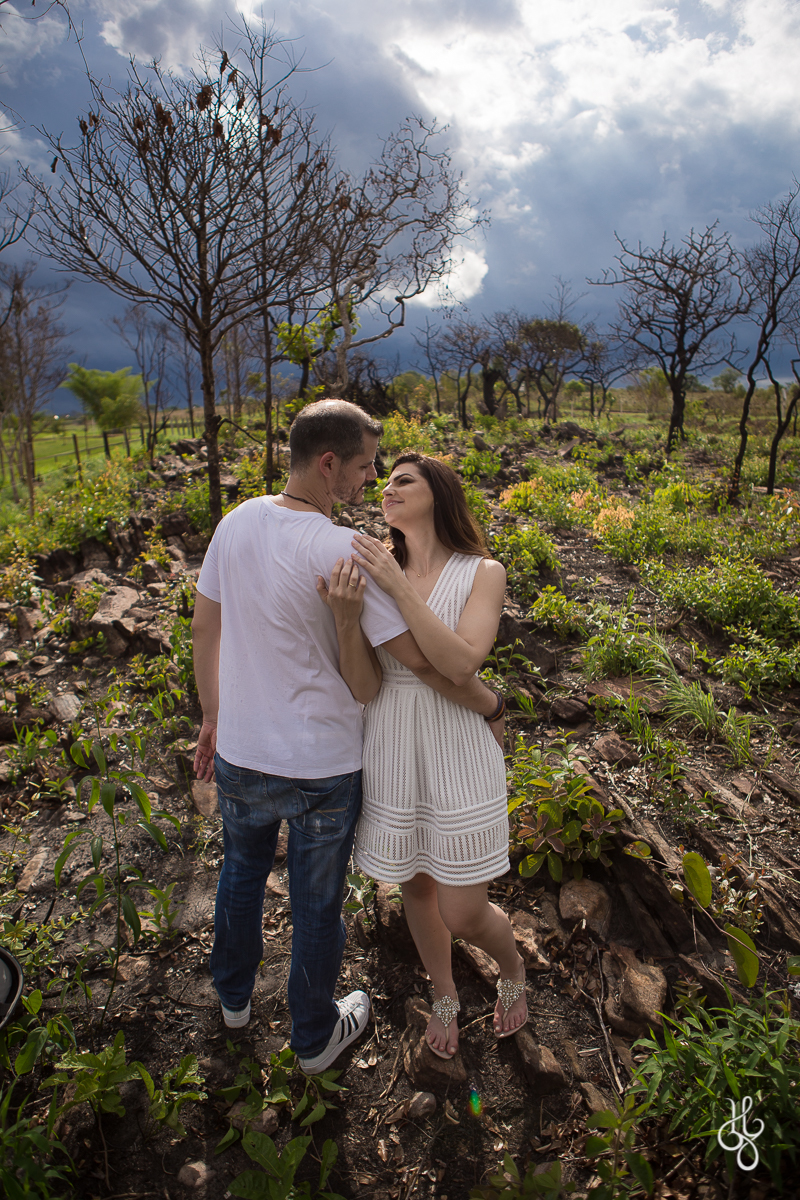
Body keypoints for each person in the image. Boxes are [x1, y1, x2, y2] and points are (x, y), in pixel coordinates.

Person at [192, 401, 502, 1074]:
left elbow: (204, 628)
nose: (370, 482)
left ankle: (234, 1000)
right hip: (321, 765)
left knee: (240, 874)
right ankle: (312, 1037)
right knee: (315, 903)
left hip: (242, 750)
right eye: (364, 467)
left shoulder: (236, 519)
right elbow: (417, 663)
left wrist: (212, 715)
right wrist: (487, 703)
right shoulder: (340, 551)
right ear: (328, 463)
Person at [318, 452, 526, 1060]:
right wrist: (348, 620)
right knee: (414, 884)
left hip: (457, 747)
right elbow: (367, 687)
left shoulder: (482, 571)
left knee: (463, 909)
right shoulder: (373, 575)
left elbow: (461, 661)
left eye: (403, 480)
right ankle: (444, 992)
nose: (387, 489)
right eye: (382, 481)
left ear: (438, 492)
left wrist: (396, 586)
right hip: (390, 746)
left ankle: (511, 966)